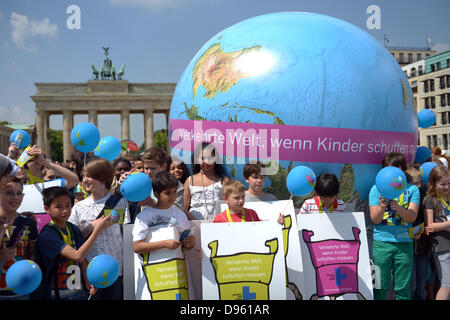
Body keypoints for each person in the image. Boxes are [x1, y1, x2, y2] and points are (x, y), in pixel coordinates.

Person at [69, 158, 131, 300]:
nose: (85, 180)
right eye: (84, 176)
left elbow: (125, 234)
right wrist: (93, 226)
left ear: (103, 178)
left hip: (117, 270)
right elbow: (75, 242)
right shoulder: (78, 207)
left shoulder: (120, 202)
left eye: (90, 176)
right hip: (92, 271)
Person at [36, 187, 111, 300]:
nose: (65, 210)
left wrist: (87, 281)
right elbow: (77, 256)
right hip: (55, 294)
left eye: (68, 205)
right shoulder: (47, 235)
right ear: (47, 209)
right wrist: (97, 230)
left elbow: (82, 260)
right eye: (59, 207)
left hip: (77, 292)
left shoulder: (73, 229)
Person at [369, 152, 420, 300]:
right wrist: (382, 206)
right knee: (380, 286)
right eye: (387, 169)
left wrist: (398, 207)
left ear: (403, 170)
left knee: (403, 287)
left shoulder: (412, 190)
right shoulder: (375, 189)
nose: (390, 174)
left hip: (404, 244)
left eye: (395, 170)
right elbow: (375, 219)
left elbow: (412, 216)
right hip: (381, 243)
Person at [133, 171, 195, 255]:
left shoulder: (180, 215)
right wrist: (164, 244)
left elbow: (187, 245)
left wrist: (190, 243)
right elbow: (137, 247)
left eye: (174, 191)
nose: (172, 196)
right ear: (156, 194)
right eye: (167, 193)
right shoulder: (143, 216)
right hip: (153, 265)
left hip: (176, 265)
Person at [0, 176, 38, 299]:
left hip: (22, 290)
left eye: (19, 193)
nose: (15, 197)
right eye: (9, 193)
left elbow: (33, 253)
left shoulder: (28, 222)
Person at [423, 165, 450, 300]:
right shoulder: (430, 200)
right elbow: (430, 226)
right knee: (446, 284)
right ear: (433, 184)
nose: (446, 186)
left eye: (449, 183)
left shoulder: (448, 198)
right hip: (442, 247)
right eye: (442, 184)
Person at [184, 143, 229, 221]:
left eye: (210, 158)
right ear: (197, 159)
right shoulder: (190, 181)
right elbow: (184, 209)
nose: (207, 161)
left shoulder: (223, 181)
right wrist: (197, 223)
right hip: (195, 226)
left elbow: (230, 205)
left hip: (219, 224)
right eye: (203, 158)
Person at [406, 165, 430, 300]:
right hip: (409, 244)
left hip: (421, 243)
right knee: (412, 284)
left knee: (421, 282)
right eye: (415, 183)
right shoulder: (405, 199)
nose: (419, 186)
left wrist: (421, 230)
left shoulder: (423, 197)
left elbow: (423, 218)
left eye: (420, 182)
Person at [214, 179, 284, 224]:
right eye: (236, 198)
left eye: (243, 197)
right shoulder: (219, 219)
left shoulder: (252, 214)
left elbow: (262, 233)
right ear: (225, 199)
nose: (241, 200)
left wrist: (278, 223)